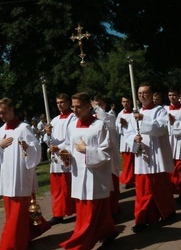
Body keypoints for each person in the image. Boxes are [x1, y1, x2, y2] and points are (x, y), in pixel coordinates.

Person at [59, 92, 119, 249]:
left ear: (88, 106)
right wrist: (64, 153)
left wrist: (87, 150)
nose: (75, 110)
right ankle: (108, 231)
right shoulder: (71, 126)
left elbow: (107, 151)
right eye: (73, 106)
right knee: (85, 209)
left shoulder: (99, 126)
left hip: (95, 176)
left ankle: (81, 242)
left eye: (78, 107)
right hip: (78, 174)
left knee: (92, 211)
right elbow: (67, 144)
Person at [0, 97, 45, 250]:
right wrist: (0, 147)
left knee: (18, 215)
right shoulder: (1, 130)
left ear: (11, 110)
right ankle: (22, 239)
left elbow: (36, 149)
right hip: (7, 176)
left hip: (21, 175)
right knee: (12, 214)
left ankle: (12, 245)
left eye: (4, 112)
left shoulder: (24, 128)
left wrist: (27, 147)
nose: (2, 116)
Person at [126, 82, 176, 233]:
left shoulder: (159, 110)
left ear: (152, 95)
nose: (142, 95)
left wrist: (143, 119)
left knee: (160, 188)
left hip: (157, 157)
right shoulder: (133, 114)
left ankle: (167, 212)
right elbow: (127, 133)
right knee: (142, 190)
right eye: (140, 93)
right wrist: (133, 139)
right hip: (142, 157)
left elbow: (161, 129)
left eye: (145, 93)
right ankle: (141, 219)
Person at [43, 93, 76, 226]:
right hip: (55, 158)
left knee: (68, 186)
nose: (60, 105)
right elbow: (47, 141)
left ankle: (71, 209)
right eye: (57, 103)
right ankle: (58, 213)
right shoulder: (54, 120)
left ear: (68, 102)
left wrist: (60, 147)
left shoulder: (73, 118)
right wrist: (47, 133)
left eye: (62, 102)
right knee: (57, 188)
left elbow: (73, 138)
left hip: (67, 155)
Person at [93, 94, 121, 216]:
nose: (97, 107)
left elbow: (104, 121)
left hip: (110, 155)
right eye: (95, 105)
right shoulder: (92, 119)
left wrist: (97, 109)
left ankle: (114, 208)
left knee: (112, 182)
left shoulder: (110, 116)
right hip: (96, 154)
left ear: (104, 105)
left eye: (99, 105)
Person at [116, 96, 136, 189]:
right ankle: (129, 180)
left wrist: (128, 124)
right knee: (127, 163)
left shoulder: (135, 112)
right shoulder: (120, 114)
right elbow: (116, 127)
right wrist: (121, 124)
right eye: (123, 101)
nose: (125, 103)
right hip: (124, 141)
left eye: (127, 101)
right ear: (121, 103)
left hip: (134, 141)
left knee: (134, 161)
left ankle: (132, 179)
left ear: (131, 102)